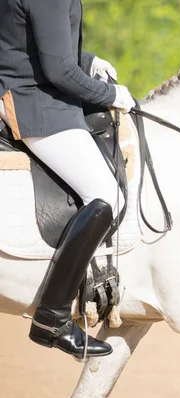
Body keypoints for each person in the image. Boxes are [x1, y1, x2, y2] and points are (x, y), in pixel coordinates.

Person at [0, 0, 137, 358]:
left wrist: (88, 61)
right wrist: (112, 94)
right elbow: (59, 71)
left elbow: (25, 43)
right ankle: (52, 318)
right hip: (37, 105)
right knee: (107, 194)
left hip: (30, 91)